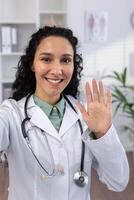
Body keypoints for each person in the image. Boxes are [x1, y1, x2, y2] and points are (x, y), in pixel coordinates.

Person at [0, 26, 129, 200]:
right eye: (46, 59)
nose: (57, 70)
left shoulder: (86, 116)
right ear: (32, 64)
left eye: (65, 60)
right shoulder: (12, 114)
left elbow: (118, 181)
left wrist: (103, 133)